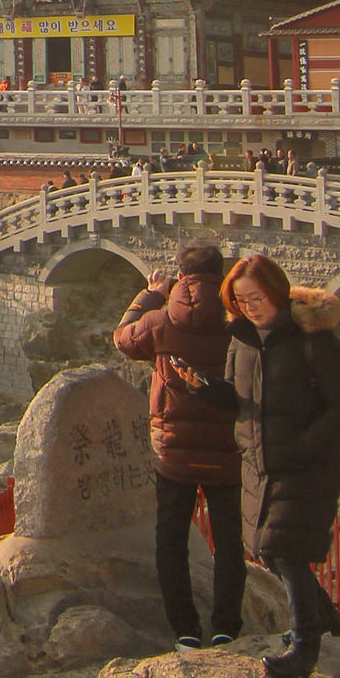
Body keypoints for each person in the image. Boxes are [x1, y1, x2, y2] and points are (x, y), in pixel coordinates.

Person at [174, 253, 340, 678]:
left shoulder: (311, 338)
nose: (249, 307)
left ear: (276, 291)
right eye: (240, 300)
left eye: (256, 297)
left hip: (304, 463)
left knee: (286, 550)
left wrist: (303, 444)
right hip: (258, 460)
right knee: (266, 548)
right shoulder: (240, 339)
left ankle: (303, 647)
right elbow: (239, 401)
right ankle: (327, 614)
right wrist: (201, 388)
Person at [115, 243, 245, 650]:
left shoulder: (161, 320)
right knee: (228, 543)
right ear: (221, 274)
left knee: (170, 541)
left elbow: (122, 338)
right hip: (228, 449)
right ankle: (226, 627)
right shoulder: (238, 322)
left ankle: (185, 631)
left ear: (181, 273)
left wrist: (151, 294)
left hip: (173, 451)